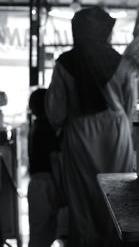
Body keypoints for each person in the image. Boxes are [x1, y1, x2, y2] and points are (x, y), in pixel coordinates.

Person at [45, 6, 134, 247]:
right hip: (117, 134)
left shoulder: (64, 63)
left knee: (83, 200)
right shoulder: (122, 62)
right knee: (118, 195)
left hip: (80, 134)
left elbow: (55, 112)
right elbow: (130, 107)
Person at [27, 88, 59, 247]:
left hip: (36, 182)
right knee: (43, 234)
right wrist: (61, 189)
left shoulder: (35, 127)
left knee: (39, 232)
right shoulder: (47, 129)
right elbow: (54, 160)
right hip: (45, 183)